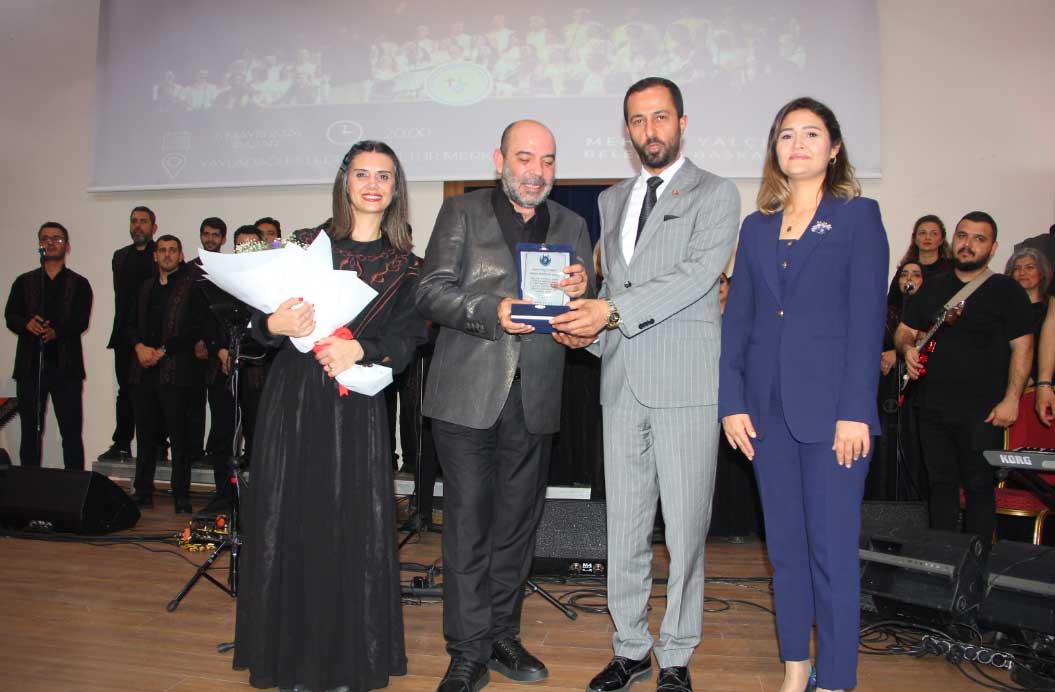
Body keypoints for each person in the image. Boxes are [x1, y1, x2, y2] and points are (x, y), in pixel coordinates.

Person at [551, 77, 739, 692]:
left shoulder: (717, 192)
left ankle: (677, 655)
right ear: (627, 129)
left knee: (685, 531)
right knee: (625, 529)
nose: (649, 130)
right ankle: (630, 647)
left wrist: (608, 312)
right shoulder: (611, 200)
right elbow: (616, 289)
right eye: (637, 120)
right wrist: (587, 330)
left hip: (686, 383)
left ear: (682, 122)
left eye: (660, 117)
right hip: (621, 381)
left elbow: (696, 276)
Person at [234, 140, 426, 692]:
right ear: (345, 182)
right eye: (362, 174)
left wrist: (359, 349)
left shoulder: (410, 267)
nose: (373, 184)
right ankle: (292, 659)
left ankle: (345, 662)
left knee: (349, 526)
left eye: (384, 176)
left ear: (396, 187)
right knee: (290, 521)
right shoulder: (302, 245)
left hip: (355, 406)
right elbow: (252, 324)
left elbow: (410, 339)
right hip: (294, 402)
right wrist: (274, 324)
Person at [415, 119, 592, 692]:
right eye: (525, 158)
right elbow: (429, 291)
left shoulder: (572, 224)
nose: (537, 171)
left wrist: (581, 296)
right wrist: (492, 311)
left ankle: (500, 635)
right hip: (467, 395)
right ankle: (467, 651)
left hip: (536, 397)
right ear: (500, 160)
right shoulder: (461, 212)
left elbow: (582, 316)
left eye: (548, 160)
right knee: (469, 527)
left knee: (517, 527)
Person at [719, 97, 889, 692]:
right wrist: (731, 402)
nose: (797, 143)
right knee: (786, 553)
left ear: (833, 148)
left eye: (811, 133)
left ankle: (836, 678)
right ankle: (796, 669)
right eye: (786, 134)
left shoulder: (858, 217)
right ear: (775, 149)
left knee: (832, 554)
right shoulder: (756, 227)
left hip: (834, 418)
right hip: (766, 415)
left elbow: (868, 322)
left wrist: (856, 411)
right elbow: (738, 323)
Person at [898, 212, 1033, 543]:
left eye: (979, 238)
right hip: (932, 407)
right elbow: (904, 330)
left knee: (978, 486)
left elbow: (1024, 347)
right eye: (962, 236)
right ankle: (941, 561)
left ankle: (977, 563)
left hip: (983, 410)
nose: (968, 244)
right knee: (939, 486)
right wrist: (907, 349)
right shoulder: (934, 286)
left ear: (993, 247)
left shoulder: (1006, 290)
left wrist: (1012, 399)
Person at [126, 235, 208, 512]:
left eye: (173, 250)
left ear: (181, 255)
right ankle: (142, 491)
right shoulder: (144, 288)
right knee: (145, 435)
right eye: (162, 250)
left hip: (176, 372)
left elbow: (195, 328)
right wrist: (139, 347)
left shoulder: (190, 288)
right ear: (155, 255)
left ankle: (181, 495)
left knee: (179, 437)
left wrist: (162, 351)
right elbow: (129, 324)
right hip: (143, 371)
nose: (167, 255)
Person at [4, 222, 93, 469]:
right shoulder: (24, 282)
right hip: (30, 367)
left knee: (71, 433)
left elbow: (81, 320)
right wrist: (26, 324)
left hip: (66, 368)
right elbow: (10, 315)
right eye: (45, 238)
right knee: (30, 433)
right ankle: (29, 485)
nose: (51, 243)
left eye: (57, 238)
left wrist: (57, 332)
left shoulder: (79, 283)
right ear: (39, 244)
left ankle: (73, 486)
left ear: (67, 246)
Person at [99, 206, 157, 462]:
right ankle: (121, 444)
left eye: (143, 221)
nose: (138, 226)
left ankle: (157, 445)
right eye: (134, 221)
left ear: (153, 227)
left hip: (152, 336)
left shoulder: (159, 253)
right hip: (124, 335)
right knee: (125, 392)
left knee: (155, 393)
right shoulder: (120, 257)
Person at [1005, 247, 1051, 382]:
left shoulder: (1050, 311)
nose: (1022, 273)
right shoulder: (1004, 309)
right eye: (1017, 268)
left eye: (1029, 267)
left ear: (1042, 273)